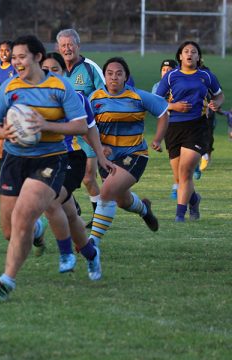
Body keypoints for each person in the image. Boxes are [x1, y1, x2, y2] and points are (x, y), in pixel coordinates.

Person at [0, 35, 87, 302]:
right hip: (14, 161)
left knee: (22, 216)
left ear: (38, 57)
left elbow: (80, 125)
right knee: (9, 231)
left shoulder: (60, 87)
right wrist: (5, 133)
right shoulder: (8, 88)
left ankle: (6, 280)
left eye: (21, 56)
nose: (16, 61)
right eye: (14, 57)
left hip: (49, 159)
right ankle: (38, 231)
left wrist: (46, 126)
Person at [41, 52, 115, 280]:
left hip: (72, 158)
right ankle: (91, 254)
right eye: (46, 69)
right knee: (70, 214)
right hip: (45, 159)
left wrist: (101, 155)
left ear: (64, 73)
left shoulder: (77, 98)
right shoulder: (35, 98)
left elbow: (90, 128)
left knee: (51, 199)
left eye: (55, 69)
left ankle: (65, 254)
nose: (50, 73)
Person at [88, 57, 168, 249]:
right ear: (104, 77)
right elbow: (85, 127)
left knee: (106, 192)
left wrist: (157, 139)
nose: (114, 77)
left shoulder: (138, 97)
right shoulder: (94, 98)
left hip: (134, 154)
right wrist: (99, 147)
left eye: (119, 73)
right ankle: (144, 210)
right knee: (121, 200)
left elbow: (164, 112)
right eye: (109, 73)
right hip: (106, 158)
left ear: (126, 77)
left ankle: (93, 243)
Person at [155, 41, 224, 222]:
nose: (190, 54)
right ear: (180, 56)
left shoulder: (206, 76)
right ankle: (194, 199)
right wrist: (173, 106)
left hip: (197, 126)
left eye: (194, 52)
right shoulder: (171, 77)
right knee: (179, 177)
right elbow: (155, 100)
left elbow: (219, 94)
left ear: (198, 57)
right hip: (173, 127)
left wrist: (216, 103)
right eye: (186, 51)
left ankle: (180, 216)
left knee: (186, 172)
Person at [56, 28, 105, 228]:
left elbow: (105, 94)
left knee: (87, 178)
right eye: (63, 46)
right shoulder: (55, 70)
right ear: (58, 49)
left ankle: (99, 218)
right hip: (63, 135)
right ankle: (72, 207)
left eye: (70, 45)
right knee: (57, 175)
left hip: (87, 131)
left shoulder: (90, 68)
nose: (67, 49)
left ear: (78, 46)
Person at [151, 59, 191, 200]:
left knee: (185, 161)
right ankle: (180, 186)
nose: (166, 72)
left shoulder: (183, 84)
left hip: (187, 125)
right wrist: (174, 106)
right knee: (175, 159)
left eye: (169, 70)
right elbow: (155, 104)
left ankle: (178, 186)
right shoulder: (157, 87)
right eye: (163, 70)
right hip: (169, 127)